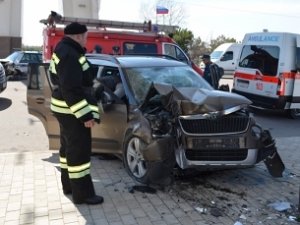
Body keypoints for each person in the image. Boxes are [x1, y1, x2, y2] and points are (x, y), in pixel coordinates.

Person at [49, 22, 104, 205]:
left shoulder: (63, 48)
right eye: (86, 37)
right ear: (78, 36)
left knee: (68, 150)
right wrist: (85, 116)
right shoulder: (70, 54)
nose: (86, 40)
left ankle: (69, 186)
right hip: (72, 111)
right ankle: (84, 194)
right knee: (79, 153)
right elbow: (71, 90)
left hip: (64, 109)